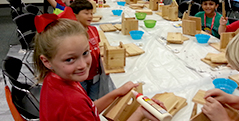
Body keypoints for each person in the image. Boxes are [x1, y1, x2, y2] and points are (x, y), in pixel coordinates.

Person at [33, 12, 165, 121]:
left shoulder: (55, 78)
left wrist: (116, 92)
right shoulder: (72, 103)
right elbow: (80, 109)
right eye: (69, 59)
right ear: (47, 61)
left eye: (85, 53)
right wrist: (139, 113)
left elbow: (89, 108)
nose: (83, 65)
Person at [69, 0, 101, 100]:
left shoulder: (94, 29)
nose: (90, 16)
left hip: (95, 74)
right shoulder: (72, 34)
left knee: (93, 100)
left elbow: (98, 47)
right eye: (86, 13)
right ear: (75, 15)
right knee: (81, 99)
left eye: (91, 13)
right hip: (80, 76)